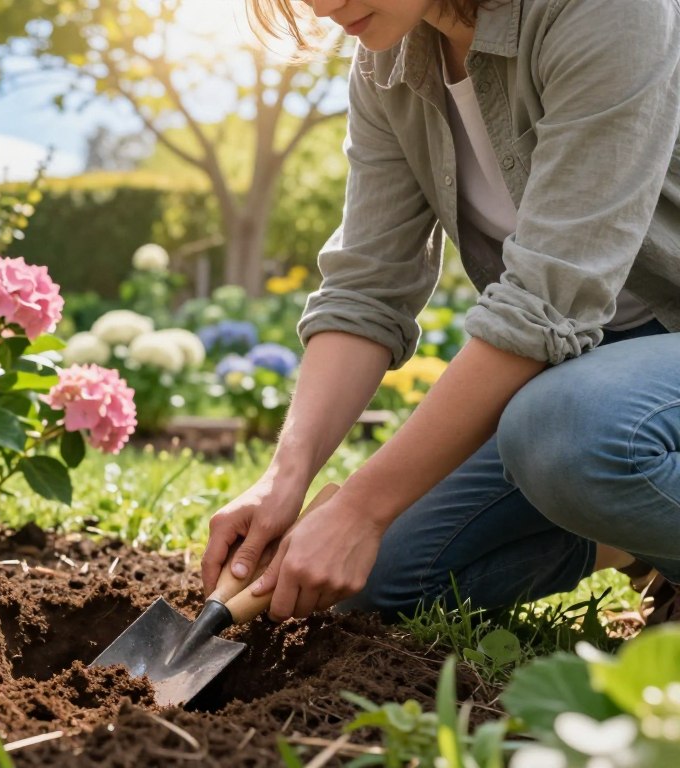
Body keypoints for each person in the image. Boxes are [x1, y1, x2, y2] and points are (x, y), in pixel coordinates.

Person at [201, 0, 680, 626]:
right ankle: (636, 535)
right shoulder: (388, 59)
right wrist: (284, 478)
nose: (321, 5)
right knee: (367, 583)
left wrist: (360, 508)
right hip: (593, 372)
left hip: (620, 370)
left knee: (566, 432)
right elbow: (368, 288)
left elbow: (549, 298)